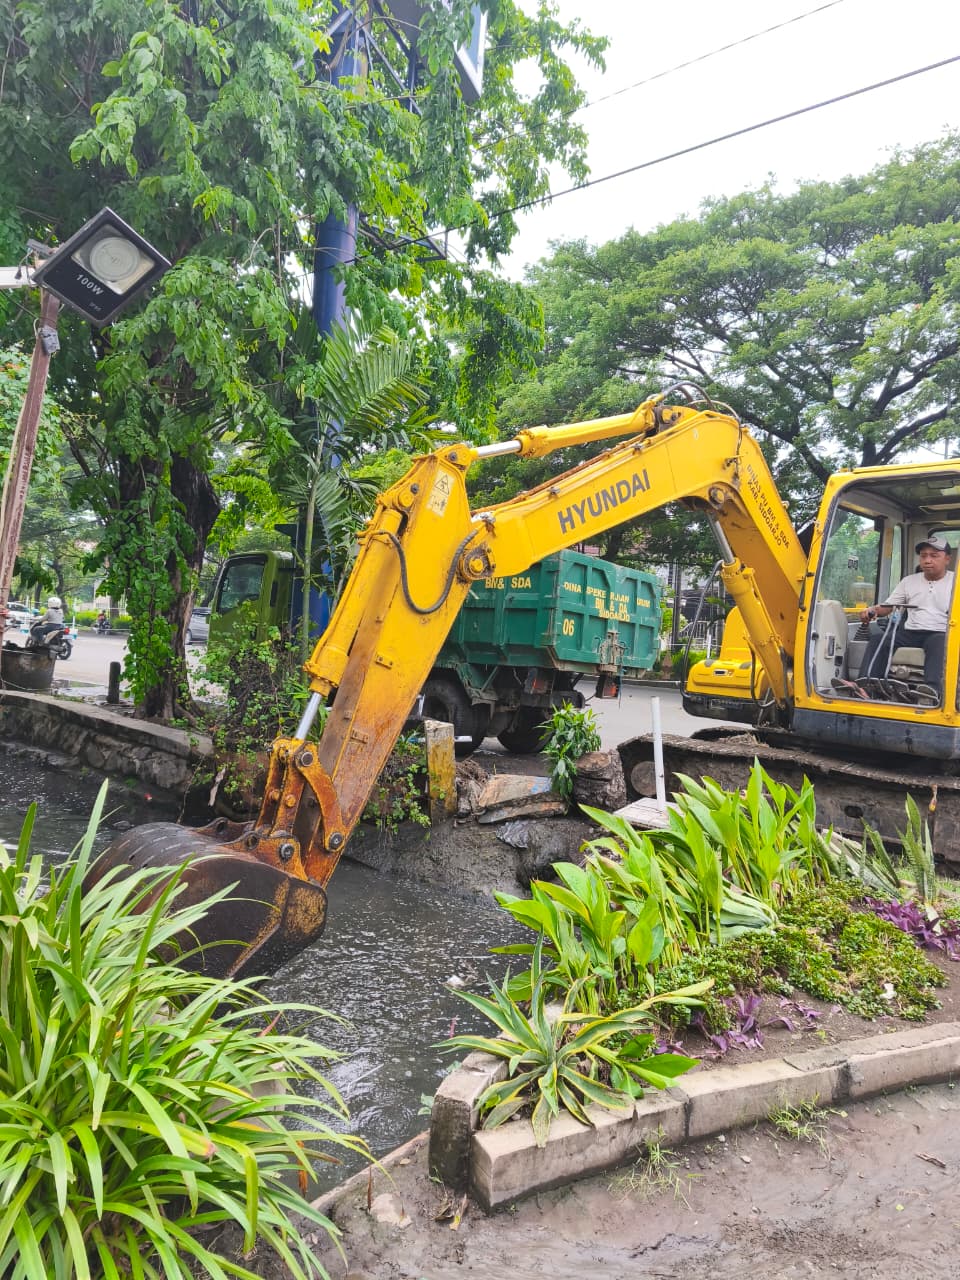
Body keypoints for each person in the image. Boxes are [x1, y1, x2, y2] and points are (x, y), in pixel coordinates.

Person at [856, 536, 955, 696]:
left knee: (940, 642)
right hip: (911, 632)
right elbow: (887, 607)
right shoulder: (909, 581)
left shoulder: (956, 581)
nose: (927, 560)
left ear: (947, 559)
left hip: (940, 632)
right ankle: (866, 688)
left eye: (934, 555)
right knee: (878, 639)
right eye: (923, 556)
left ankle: (932, 692)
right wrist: (871, 610)